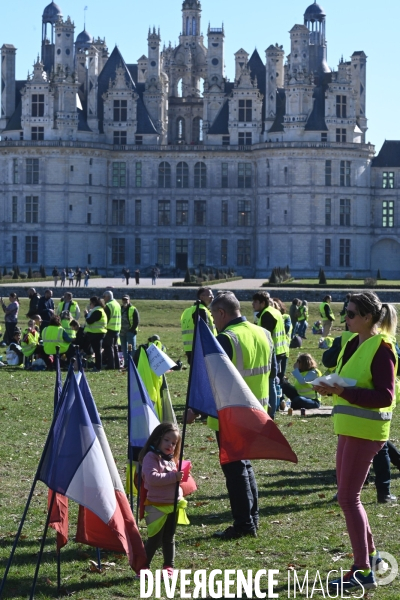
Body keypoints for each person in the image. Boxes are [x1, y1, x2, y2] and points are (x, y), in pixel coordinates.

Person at [313, 292, 398, 592]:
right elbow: (346, 379)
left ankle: (362, 572)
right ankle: (371, 557)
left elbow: (385, 396)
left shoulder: (383, 348)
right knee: (348, 496)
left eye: (350, 314)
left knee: (348, 499)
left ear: (367, 318)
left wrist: (343, 392)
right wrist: (328, 386)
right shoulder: (350, 342)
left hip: (368, 432)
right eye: (344, 312)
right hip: (348, 427)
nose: (344, 318)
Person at [207, 292, 273, 540]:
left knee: (235, 471)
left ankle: (244, 524)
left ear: (222, 313)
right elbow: (272, 374)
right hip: (257, 411)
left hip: (232, 415)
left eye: (214, 316)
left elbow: (215, 382)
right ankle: (251, 518)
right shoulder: (262, 333)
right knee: (245, 465)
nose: (213, 321)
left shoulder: (226, 339)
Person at [138, 423, 186, 577]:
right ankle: (143, 566)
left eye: (174, 443)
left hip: (173, 505)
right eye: (166, 440)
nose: (170, 445)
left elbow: (173, 480)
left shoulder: (171, 460)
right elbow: (152, 478)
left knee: (169, 537)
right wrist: (174, 477)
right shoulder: (151, 457)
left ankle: (168, 566)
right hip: (156, 506)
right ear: (157, 438)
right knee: (155, 538)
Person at [252, 291, 285, 419]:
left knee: (270, 381)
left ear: (263, 303)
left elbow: (265, 336)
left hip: (272, 352)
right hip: (280, 350)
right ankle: (274, 407)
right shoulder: (274, 311)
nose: (252, 304)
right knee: (275, 381)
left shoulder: (267, 315)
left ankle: (271, 412)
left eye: (255, 302)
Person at [180, 287, 216, 364]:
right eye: (210, 295)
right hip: (201, 349)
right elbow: (204, 331)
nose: (212, 297)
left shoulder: (187, 311)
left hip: (190, 349)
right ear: (202, 297)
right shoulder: (201, 310)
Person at [84, 296, 107, 372]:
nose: (90, 304)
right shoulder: (97, 310)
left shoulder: (98, 311)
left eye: (90, 303)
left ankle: (97, 367)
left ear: (93, 303)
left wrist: (86, 315)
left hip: (97, 333)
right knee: (97, 351)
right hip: (96, 333)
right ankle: (97, 366)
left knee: (97, 351)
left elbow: (90, 321)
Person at [103, 290, 121, 370]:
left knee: (109, 347)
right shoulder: (117, 304)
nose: (103, 299)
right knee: (115, 347)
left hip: (110, 329)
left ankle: (111, 365)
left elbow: (106, 318)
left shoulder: (108, 305)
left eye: (104, 297)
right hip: (117, 328)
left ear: (108, 297)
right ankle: (117, 365)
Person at [120, 295, 139, 366]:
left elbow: (136, 321)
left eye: (126, 300)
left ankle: (134, 363)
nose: (125, 301)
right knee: (124, 349)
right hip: (122, 332)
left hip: (130, 332)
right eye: (123, 300)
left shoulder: (133, 309)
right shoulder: (120, 308)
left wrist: (131, 330)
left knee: (132, 349)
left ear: (129, 300)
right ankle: (126, 363)